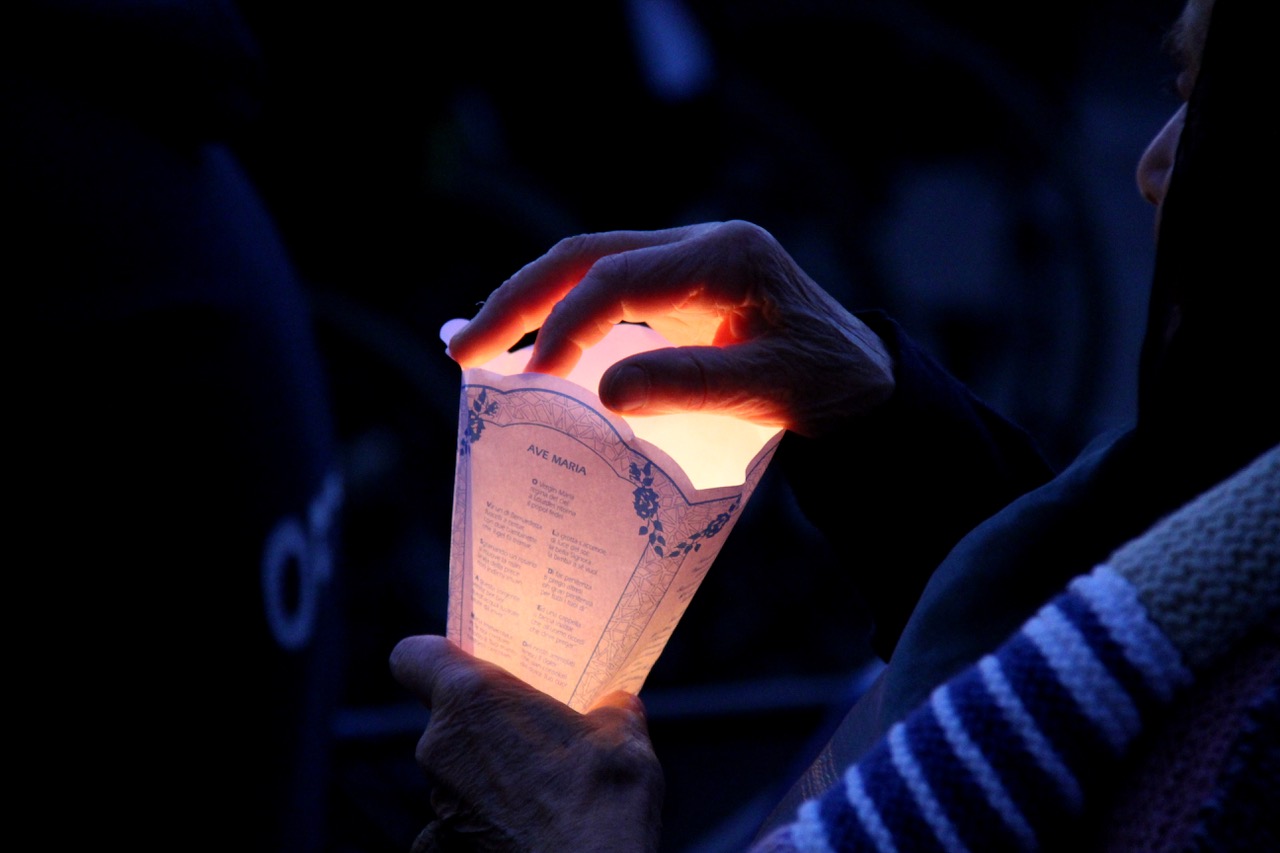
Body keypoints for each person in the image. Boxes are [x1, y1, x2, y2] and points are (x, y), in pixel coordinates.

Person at [390, 0, 1278, 849]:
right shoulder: (1232, 529)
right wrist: (886, 422)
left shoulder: (1246, 752)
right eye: (1174, 92)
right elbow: (1081, 657)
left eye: (1208, 109)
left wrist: (565, 837)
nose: (1152, 167)